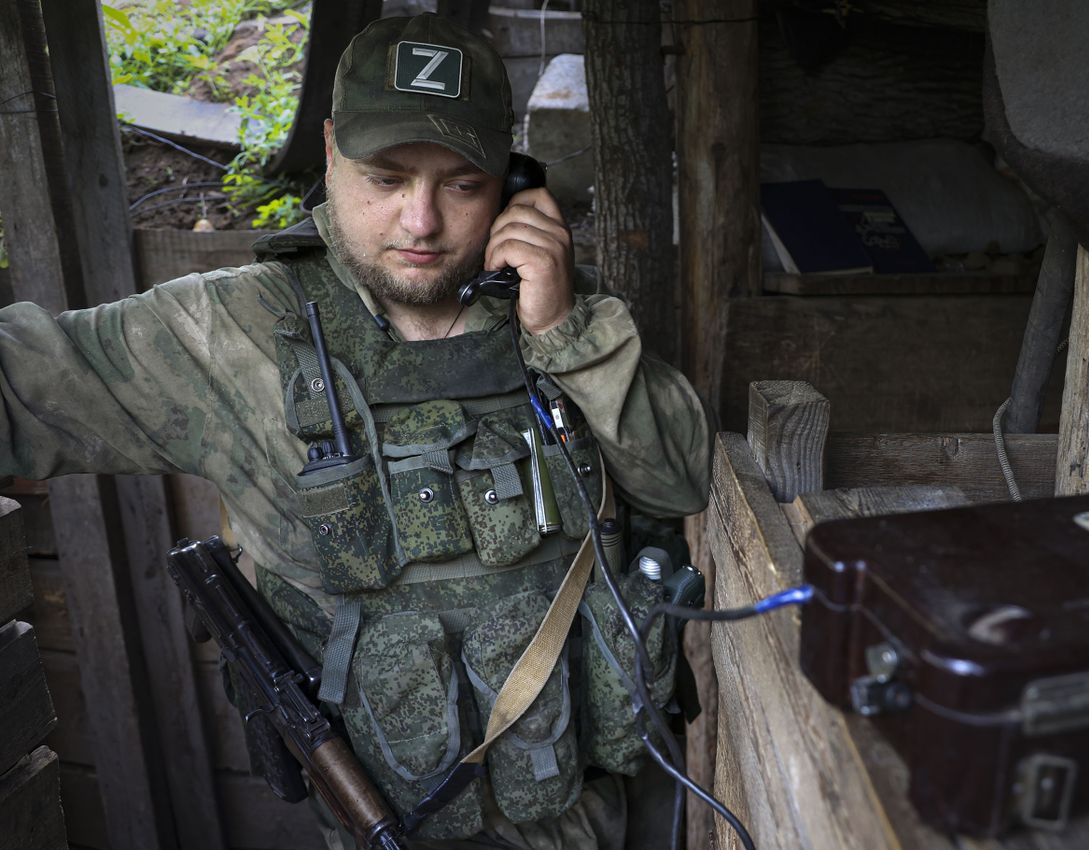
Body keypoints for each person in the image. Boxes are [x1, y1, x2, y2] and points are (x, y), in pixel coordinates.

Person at [0, 13, 712, 850]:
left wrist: (563, 333)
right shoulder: (227, 330)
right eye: (386, 177)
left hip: (584, 818)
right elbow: (23, 382)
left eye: (463, 184)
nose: (420, 221)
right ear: (331, 148)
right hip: (381, 824)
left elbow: (683, 481)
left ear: (513, 178)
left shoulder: (557, 307)